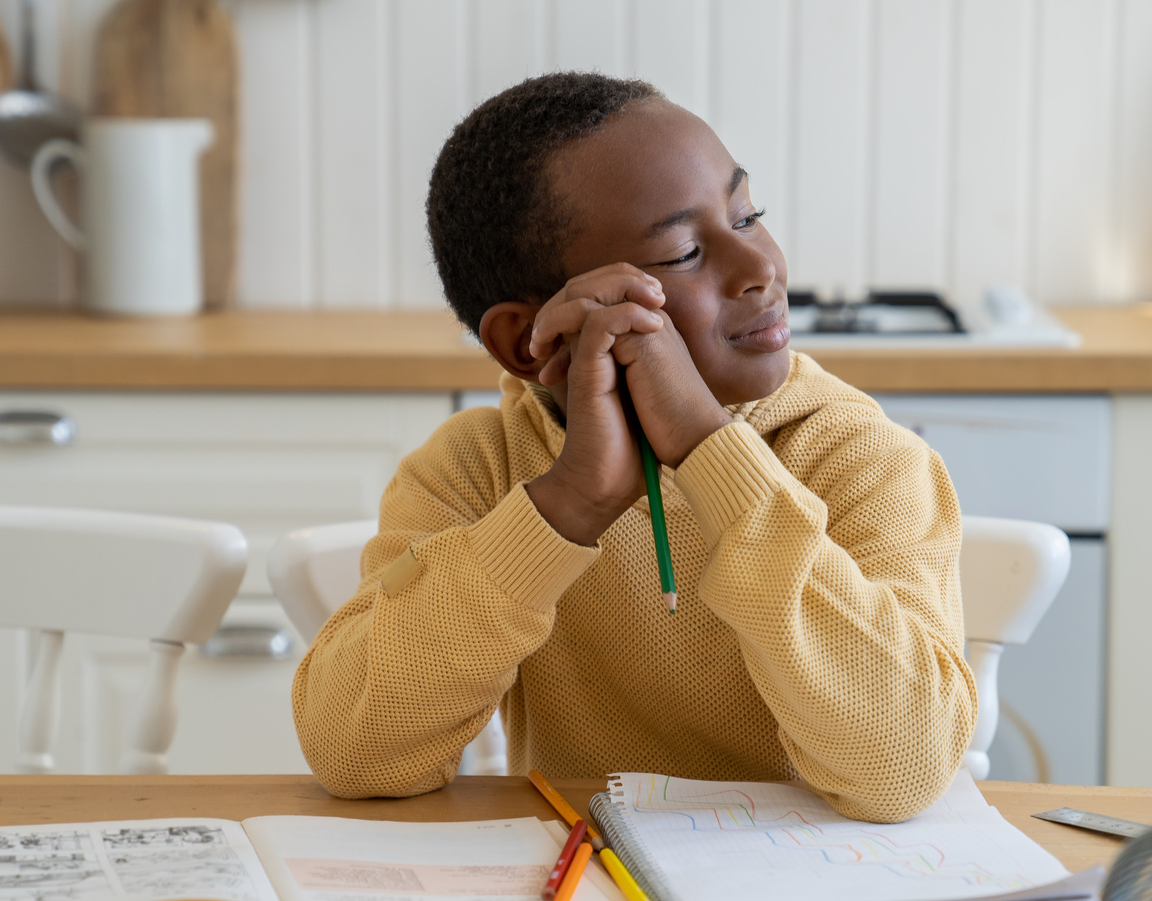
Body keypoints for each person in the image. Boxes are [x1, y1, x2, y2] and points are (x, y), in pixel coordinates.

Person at [292, 72, 974, 824]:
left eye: (748, 215)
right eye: (683, 252)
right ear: (527, 339)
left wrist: (711, 450)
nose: (761, 269)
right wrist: (566, 506)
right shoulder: (473, 470)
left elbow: (903, 767)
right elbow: (357, 755)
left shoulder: (860, 456)